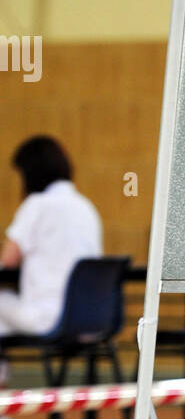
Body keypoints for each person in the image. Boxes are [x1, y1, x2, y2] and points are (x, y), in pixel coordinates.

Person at [0, 136, 102, 335]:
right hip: (91, 317)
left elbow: (8, 261)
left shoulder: (37, 204)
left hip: (48, 316)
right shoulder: (86, 207)